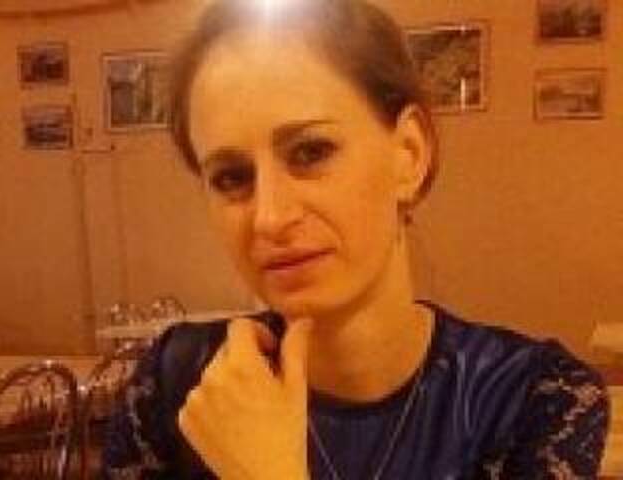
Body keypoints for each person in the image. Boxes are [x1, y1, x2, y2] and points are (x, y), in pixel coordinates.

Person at [101, 0, 610, 478]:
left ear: (409, 153)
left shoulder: (536, 400)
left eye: (311, 152)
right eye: (232, 177)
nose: (270, 218)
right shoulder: (175, 390)